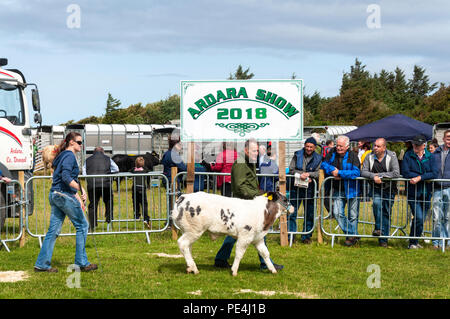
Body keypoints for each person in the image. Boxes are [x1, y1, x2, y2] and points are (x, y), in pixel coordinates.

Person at [214, 138, 283, 271]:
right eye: (254, 151)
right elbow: (240, 186)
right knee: (259, 232)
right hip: (244, 203)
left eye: (257, 150)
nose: (256, 153)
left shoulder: (248, 161)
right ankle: (265, 263)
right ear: (246, 150)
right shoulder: (241, 162)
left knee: (236, 234)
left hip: (248, 202)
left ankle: (221, 259)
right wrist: (257, 195)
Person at [34, 132, 97, 273]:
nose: (82, 145)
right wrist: (80, 189)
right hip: (62, 195)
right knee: (82, 225)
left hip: (55, 194)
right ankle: (81, 263)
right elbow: (66, 177)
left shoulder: (62, 156)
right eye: (79, 142)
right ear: (71, 143)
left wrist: (79, 194)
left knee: (53, 231)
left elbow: (65, 180)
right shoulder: (69, 156)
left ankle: (41, 264)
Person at [321, 135, 361, 246]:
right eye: (337, 145)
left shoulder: (353, 156)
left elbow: (357, 172)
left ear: (347, 146)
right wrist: (332, 170)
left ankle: (351, 239)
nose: (338, 148)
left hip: (352, 189)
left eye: (341, 146)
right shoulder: (332, 153)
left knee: (353, 215)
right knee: (337, 212)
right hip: (338, 189)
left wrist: (340, 174)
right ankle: (352, 234)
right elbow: (324, 164)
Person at [361, 138, 400, 247]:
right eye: (374, 146)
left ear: (384, 148)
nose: (375, 148)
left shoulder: (391, 156)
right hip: (376, 188)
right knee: (377, 204)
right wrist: (374, 176)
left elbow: (396, 173)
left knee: (386, 212)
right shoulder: (369, 156)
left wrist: (380, 176)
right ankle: (378, 228)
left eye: (378, 146)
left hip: (390, 189)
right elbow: (363, 172)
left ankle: (384, 239)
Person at [401, 134, 438, 249]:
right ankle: (413, 242)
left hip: (426, 193)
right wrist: (422, 177)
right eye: (414, 145)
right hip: (413, 193)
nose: (416, 147)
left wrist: (419, 178)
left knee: (420, 219)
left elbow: (434, 173)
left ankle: (413, 242)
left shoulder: (430, 157)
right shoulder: (408, 155)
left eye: (419, 145)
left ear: (424, 145)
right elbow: (406, 172)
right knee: (419, 217)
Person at [287, 137, 322, 244]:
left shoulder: (319, 158)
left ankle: (306, 236)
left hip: (310, 189)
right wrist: (300, 175)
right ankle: (290, 235)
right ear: (304, 146)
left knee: (309, 213)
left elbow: (319, 172)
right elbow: (291, 169)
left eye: (311, 147)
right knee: (292, 212)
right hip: (295, 188)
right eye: (307, 146)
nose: (309, 149)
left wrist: (309, 174)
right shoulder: (297, 155)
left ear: (315, 147)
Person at [82, 147, 119, 231]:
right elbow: (116, 169)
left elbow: (84, 173)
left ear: (93, 152)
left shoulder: (87, 160)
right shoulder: (108, 159)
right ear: (103, 152)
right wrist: (109, 175)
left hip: (92, 185)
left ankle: (92, 225)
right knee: (109, 201)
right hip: (106, 184)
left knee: (93, 204)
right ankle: (109, 220)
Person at [431, 130, 450, 250]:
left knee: (448, 217)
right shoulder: (435, 153)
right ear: (443, 139)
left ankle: (447, 242)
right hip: (437, 188)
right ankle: (436, 242)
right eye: (448, 137)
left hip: (449, 188)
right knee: (436, 217)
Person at [129, 156, 150, 228]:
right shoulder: (144, 170)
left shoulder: (133, 170)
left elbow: (130, 170)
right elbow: (147, 170)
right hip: (142, 188)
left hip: (135, 188)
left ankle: (137, 216)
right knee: (144, 203)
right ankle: (145, 218)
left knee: (135, 202)